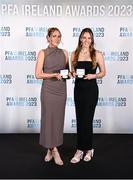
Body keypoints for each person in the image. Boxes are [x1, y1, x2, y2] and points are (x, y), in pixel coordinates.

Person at [70, 28, 106, 163]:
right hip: (78, 90)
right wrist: (72, 73)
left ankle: (89, 149)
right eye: (84, 37)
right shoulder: (74, 54)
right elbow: (72, 70)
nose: (86, 40)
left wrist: (94, 75)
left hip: (91, 90)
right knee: (80, 119)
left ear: (92, 40)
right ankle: (79, 150)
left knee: (88, 119)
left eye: (89, 38)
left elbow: (103, 72)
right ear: (80, 39)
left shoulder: (97, 54)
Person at [35, 27, 68, 166]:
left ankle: (50, 149)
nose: (57, 39)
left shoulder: (65, 52)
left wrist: (72, 74)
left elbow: (67, 72)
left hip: (61, 91)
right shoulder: (43, 53)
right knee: (48, 120)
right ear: (48, 37)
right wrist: (54, 75)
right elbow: (38, 74)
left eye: (59, 36)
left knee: (58, 121)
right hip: (48, 90)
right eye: (54, 36)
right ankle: (54, 150)